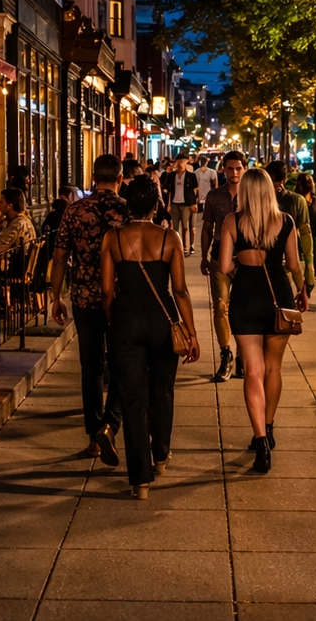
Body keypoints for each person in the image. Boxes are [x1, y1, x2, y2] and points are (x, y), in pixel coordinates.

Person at [100, 176, 200, 498]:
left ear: (129, 203)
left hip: (127, 319)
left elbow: (106, 290)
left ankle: (140, 480)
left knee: (132, 399)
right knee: (163, 391)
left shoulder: (112, 238)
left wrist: (112, 318)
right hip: (162, 320)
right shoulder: (170, 238)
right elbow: (180, 290)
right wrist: (192, 332)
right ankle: (161, 455)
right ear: (158, 203)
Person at [218, 169, 307, 474]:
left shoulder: (233, 221)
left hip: (245, 296)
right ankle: (268, 428)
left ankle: (260, 442)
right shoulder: (286, 221)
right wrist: (302, 289)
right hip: (277, 296)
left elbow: (224, 265)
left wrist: (241, 263)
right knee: (274, 368)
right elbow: (294, 264)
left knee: (252, 373)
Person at [49, 153, 131, 462]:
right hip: (121, 298)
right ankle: (110, 425)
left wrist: (56, 297)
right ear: (120, 179)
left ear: (92, 178)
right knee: (124, 364)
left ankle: (93, 436)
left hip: (84, 297)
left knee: (91, 368)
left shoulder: (74, 210)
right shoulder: (126, 211)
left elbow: (59, 258)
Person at [199, 151, 246, 382]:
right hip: (219, 256)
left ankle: (242, 356)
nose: (234, 173)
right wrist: (204, 255)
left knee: (243, 309)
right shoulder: (214, 196)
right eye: (230, 168)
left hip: (246, 256)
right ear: (223, 169)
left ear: (244, 169)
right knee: (220, 306)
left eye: (238, 168)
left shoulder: (252, 195)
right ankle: (225, 353)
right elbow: (207, 227)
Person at [265, 161, 312, 298]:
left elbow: (305, 232)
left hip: (287, 258)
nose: (275, 185)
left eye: (278, 181)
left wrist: (309, 266)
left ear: (284, 180)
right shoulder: (259, 199)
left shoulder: (296, 200)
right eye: (272, 181)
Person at [162, 154, 199, 255]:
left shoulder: (191, 176)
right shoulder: (171, 175)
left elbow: (195, 189)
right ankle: (176, 246)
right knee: (175, 227)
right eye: (178, 161)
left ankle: (185, 247)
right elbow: (168, 190)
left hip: (186, 204)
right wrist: (168, 204)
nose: (180, 164)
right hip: (174, 203)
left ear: (186, 162)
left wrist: (193, 203)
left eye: (182, 161)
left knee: (185, 226)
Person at [0, 188, 36, 253]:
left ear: (9, 206)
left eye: (1, 202)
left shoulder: (18, 223)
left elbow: (0, 247)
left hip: (16, 262)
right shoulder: (18, 220)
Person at [297, 173, 316, 296]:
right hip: (300, 237)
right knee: (301, 265)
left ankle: (308, 287)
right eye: (306, 182)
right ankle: (302, 289)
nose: (309, 184)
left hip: (314, 237)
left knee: (313, 266)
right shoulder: (296, 200)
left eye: (310, 181)